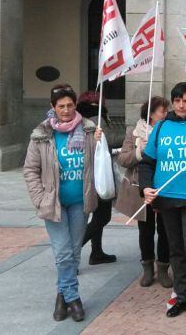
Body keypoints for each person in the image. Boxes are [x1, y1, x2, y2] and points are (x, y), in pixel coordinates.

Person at [139, 82, 186, 320]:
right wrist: (146, 188)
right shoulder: (161, 127)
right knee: (176, 249)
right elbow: (147, 163)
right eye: (177, 100)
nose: (181, 105)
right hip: (167, 197)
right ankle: (181, 296)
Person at [23, 84, 99, 322]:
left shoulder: (88, 130)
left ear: (76, 105)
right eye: (61, 106)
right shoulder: (42, 135)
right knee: (64, 253)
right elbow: (30, 170)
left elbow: (100, 162)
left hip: (80, 202)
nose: (66, 110)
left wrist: (100, 141)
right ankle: (74, 298)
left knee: (74, 253)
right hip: (53, 204)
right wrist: (39, 198)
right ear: (53, 108)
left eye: (70, 105)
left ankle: (61, 295)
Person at [116, 96, 172, 288]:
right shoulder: (134, 133)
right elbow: (123, 159)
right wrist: (140, 151)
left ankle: (164, 268)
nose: (166, 114)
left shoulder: (170, 130)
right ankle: (147, 268)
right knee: (145, 230)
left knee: (165, 230)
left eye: (166, 111)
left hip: (164, 187)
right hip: (142, 187)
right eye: (162, 111)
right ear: (151, 114)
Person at [75, 90, 120, 265]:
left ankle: (97, 252)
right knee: (103, 216)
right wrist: (132, 136)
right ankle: (73, 251)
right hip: (99, 172)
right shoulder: (97, 118)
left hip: (88, 172)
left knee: (97, 214)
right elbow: (113, 138)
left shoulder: (79, 118)